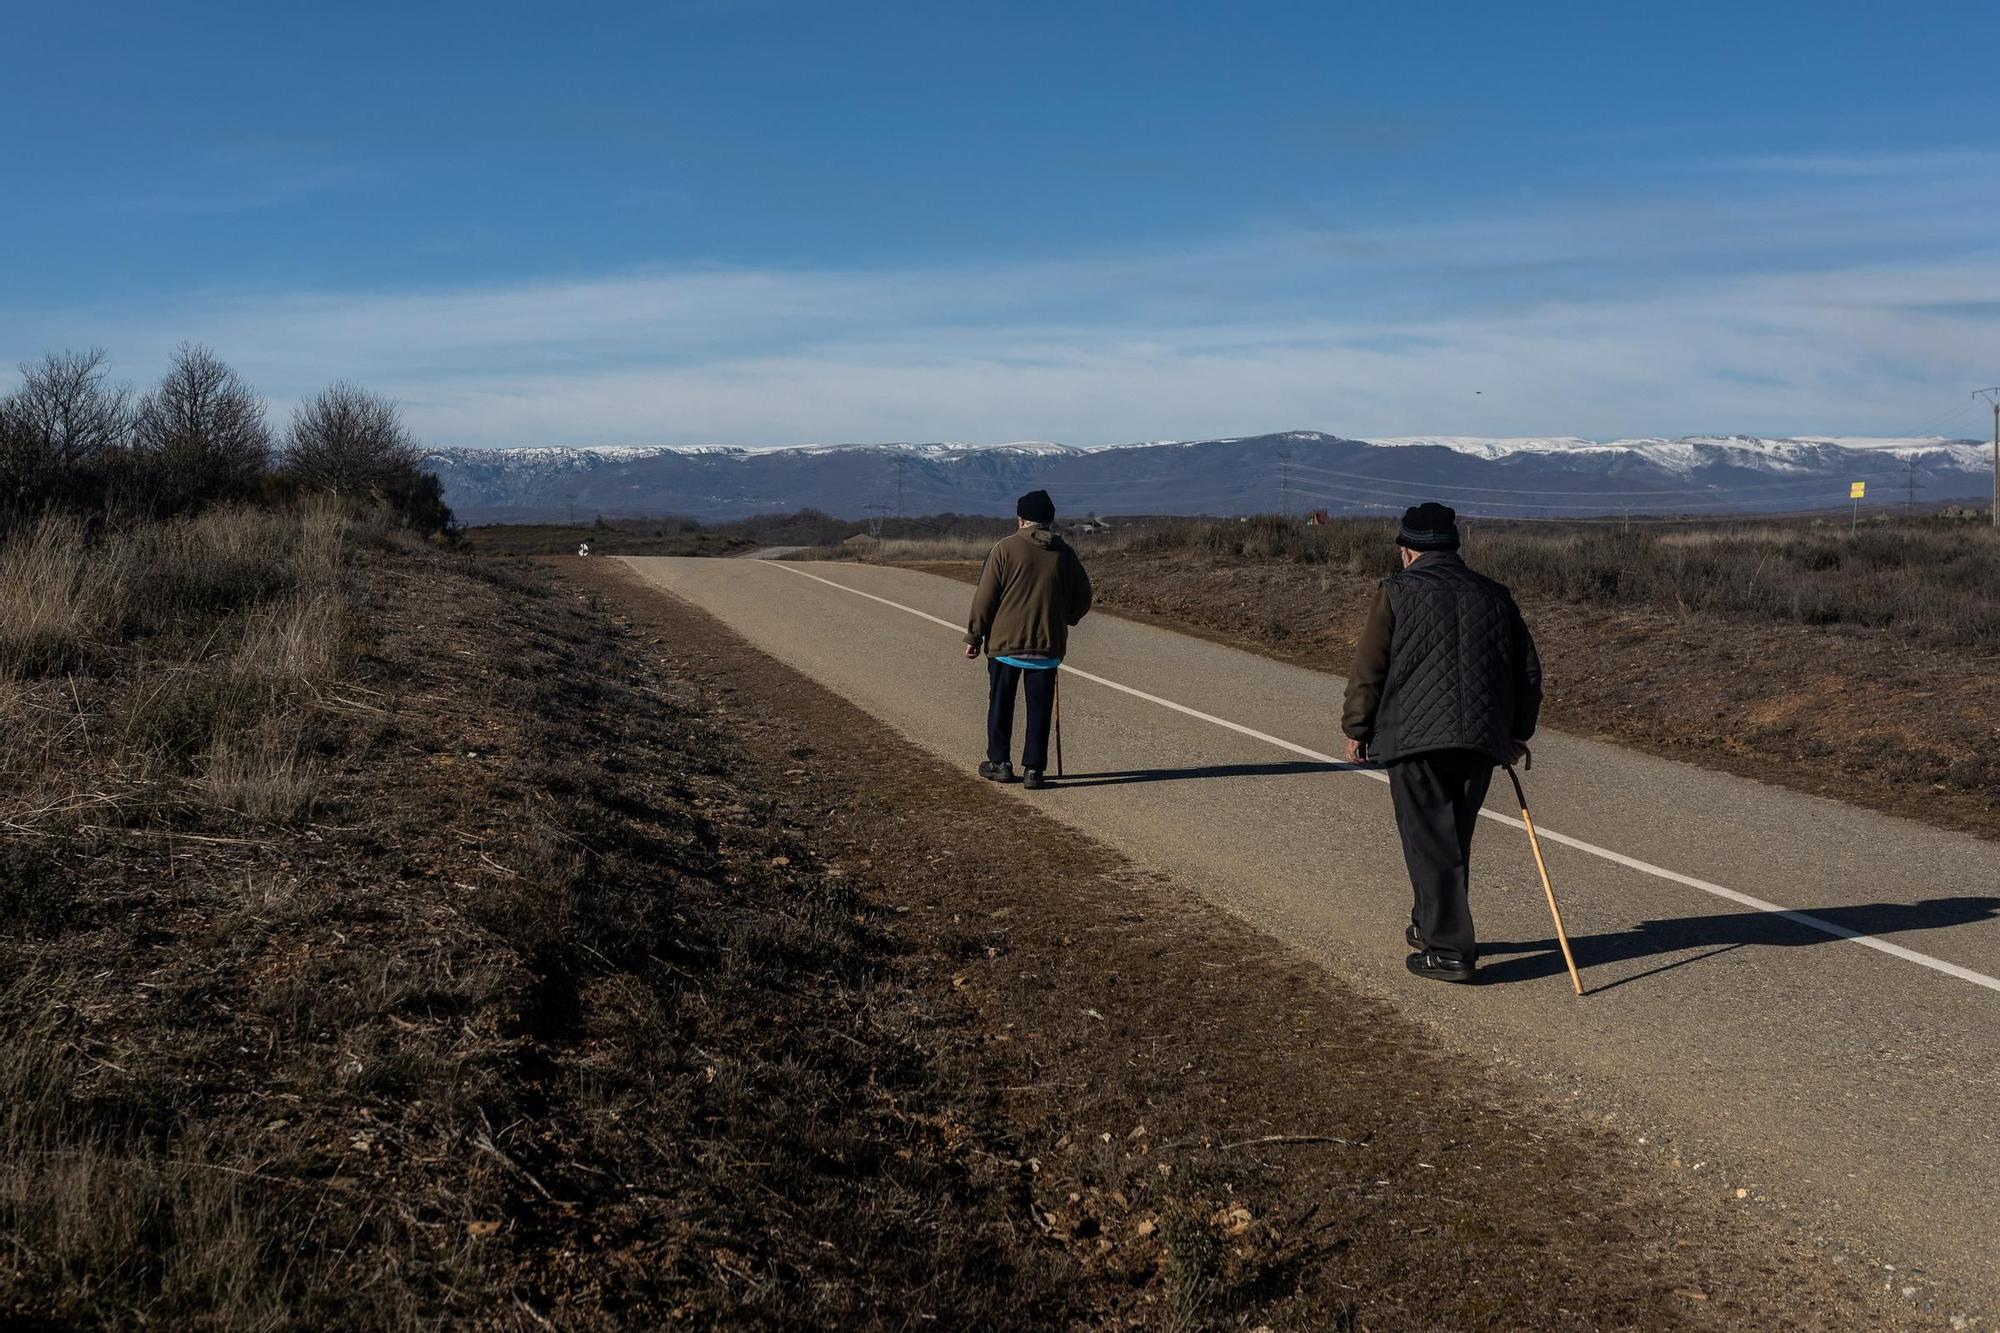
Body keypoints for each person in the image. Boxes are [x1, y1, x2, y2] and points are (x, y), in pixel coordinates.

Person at [1341, 502, 1541, 984]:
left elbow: (1371, 668)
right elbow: (1527, 672)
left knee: (1428, 839)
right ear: (1452, 548)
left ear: (1408, 552)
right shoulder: (1494, 595)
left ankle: (1450, 951)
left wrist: (1356, 729)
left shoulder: (1395, 593)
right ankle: (1429, 923)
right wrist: (1517, 732)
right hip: (1479, 739)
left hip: (1414, 738)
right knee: (1451, 836)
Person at [964, 489, 1093, 790]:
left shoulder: (1005, 549)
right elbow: (1084, 597)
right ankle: (1034, 770)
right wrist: (1066, 618)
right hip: (1047, 646)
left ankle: (1000, 763)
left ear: (1020, 519)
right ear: (1049, 521)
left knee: (1001, 703)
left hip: (1005, 644)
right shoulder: (1065, 553)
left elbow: (985, 597)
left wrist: (974, 635)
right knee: (1040, 708)